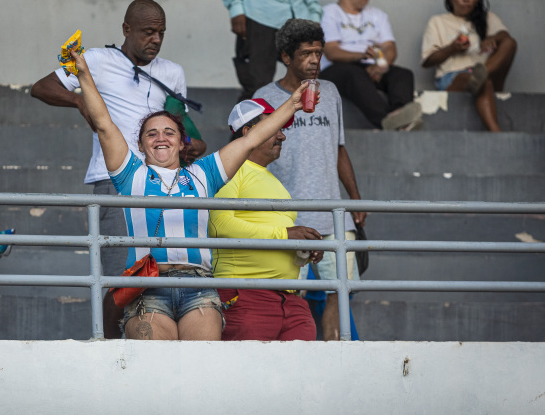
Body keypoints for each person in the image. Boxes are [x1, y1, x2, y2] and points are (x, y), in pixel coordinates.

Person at [69, 45, 307, 341]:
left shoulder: (203, 174)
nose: (160, 137)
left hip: (199, 287)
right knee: (156, 365)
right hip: (149, 287)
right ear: (140, 146)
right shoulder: (131, 175)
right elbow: (104, 125)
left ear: (183, 143)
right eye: (151, 133)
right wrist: (84, 76)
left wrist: (292, 105)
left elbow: (251, 139)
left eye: (169, 132)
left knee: (201, 368)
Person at [30, 0, 206, 337]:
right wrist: (79, 98)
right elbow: (41, 88)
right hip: (115, 181)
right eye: (148, 32)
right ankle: (108, 352)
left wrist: (193, 144)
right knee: (118, 279)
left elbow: (180, 123)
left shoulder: (173, 72)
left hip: (164, 182)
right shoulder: (96, 59)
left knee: (159, 275)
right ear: (127, 30)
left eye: (161, 33)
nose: (156, 39)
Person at [254, 18, 366, 341]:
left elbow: (339, 149)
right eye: (305, 54)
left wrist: (355, 199)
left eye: (318, 53)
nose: (314, 60)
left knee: (339, 291)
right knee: (290, 296)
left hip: (334, 214)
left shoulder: (330, 93)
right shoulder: (263, 98)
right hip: (286, 219)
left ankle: (333, 356)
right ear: (286, 58)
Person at [209, 98, 323, 341]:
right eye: (275, 128)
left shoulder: (274, 180)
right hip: (245, 294)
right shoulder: (227, 170)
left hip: (291, 299)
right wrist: (286, 235)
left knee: (304, 371)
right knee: (246, 375)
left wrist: (304, 248)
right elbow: (219, 225)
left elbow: (277, 234)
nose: (282, 137)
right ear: (249, 132)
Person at [319, 0, 422, 131]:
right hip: (337, 70)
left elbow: (390, 48)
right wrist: (361, 56)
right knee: (353, 73)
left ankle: (400, 116)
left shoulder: (377, 15)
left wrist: (381, 66)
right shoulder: (328, 13)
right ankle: (384, 120)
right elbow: (331, 52)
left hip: (370, 67)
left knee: (403, 74)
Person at [421, 0, 518, 132]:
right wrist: (452, 48)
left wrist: (492, 38)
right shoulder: (437, 21)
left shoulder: (488, 18)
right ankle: (497, 133)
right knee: (479, 81)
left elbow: (506, 38)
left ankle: (482, 73)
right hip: (454, 78)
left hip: (488, 72)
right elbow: (427, 61)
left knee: (509, 43)